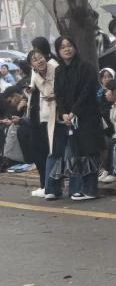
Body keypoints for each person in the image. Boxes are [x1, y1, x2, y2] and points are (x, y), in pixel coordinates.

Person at [46, 37, 104, 201]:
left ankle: (91, 189)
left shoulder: (86, 68)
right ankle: (83, 188)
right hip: (70, 119)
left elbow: (87, 92)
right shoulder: (59, 71)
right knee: (77, 152)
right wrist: (64, 113)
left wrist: (74, 111)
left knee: (90, 150)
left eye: (69, 45)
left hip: (87, 116)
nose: (67, 49)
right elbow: (59, 94)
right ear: (58, 51)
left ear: (75, 48)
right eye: (62, 47)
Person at [26, 49, 58, 197]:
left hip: (49, 117)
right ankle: (45, 185)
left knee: (48, 153)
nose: (39, 61)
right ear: (31, 64)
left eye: (40, 57)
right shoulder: (36, 74)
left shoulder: (54, 69)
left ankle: (50, 186)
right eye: (34, 59)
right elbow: (33, 94)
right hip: (36, 116)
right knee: (38, 153)